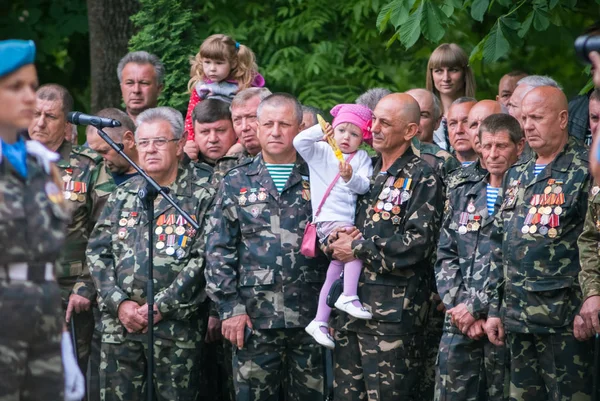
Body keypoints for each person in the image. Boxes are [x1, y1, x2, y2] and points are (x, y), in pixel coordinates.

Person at [205, 93, 328, 400]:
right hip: (253, 319)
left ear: (299, 128)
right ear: (257, 129)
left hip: (311, 318)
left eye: (284, 124)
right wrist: (229, 308)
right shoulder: (235, 181)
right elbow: (218, 248)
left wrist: (331, 313)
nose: (275, 131)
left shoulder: (320, 176)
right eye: (268, 124)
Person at [87, 106, 215, 401]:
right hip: (121, 327)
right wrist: (119, 304)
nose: (151, 149)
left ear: (180, 144)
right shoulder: (123, 194)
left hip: (175, 328)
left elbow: (205, 257)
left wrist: (162, 305)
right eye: (144, 143)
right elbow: (97, 251)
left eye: (160, 141)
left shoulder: (204, 192)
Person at [329, 93, 444, 401]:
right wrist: (335, 240)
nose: (374, 128)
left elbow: (417, 245)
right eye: (374, 120)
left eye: (385, 123)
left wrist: (358, 248)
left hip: (391, 318)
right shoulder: (362, 169)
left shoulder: (423, 176)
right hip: (349, 314)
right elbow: (336, 216)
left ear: (410, 131)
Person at [485, 86, 593, 401]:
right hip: (517, 317)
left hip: (565, 318)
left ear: (562, 119)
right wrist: (495, 309)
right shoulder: (515, 172)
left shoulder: (585, 171)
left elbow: (593, 244)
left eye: (537, 118)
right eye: (524, 118)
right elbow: (499, 244)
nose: (528, 126)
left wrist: (589, 303)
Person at [0, 39, 83, 401]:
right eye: (15, 87)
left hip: (43, 317)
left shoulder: (41, 164)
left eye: (32, 87)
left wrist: (61, 339)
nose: (29, 98)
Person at [28, 83, 116, 390]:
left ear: (67, 125)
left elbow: (107, 232)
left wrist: (87, 285)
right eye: (35, 114)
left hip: (68, 293)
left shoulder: (88, 167)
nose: (40, 122)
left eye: (50, 117)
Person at [435, 113, 524, 401]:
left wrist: (479, 307)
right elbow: (445, 254)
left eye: (501, 146)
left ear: (519, 148)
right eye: (487, 147)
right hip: (460, 322)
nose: (493, 154)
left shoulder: (526, 193)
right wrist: (461, 307)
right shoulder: (464, 193)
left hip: (503, 321)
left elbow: (517, 260)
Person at [294, 104, 374, 349]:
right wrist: (320, 129)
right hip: (328, 219)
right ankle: (349, 295)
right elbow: (299, 142)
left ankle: (319, 320)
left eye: (354, 134)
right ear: (332, 131)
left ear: (362, 139)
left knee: (336, 265)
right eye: (341, 131)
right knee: (355, 251)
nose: (346, 138)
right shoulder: (321, 151)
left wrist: (351, 177)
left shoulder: (361, 158)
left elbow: (365, 186)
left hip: (346, 220)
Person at [185, 34, 264, 140]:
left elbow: (255, 120)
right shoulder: (201, 87)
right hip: (209, 139)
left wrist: (241, 144)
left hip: (239, 140)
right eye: (207, 62)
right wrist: (190, 141)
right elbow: (190, 118)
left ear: (233, 63)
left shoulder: (243, 86)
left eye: (219, 63)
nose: (212, 68)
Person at [426, 44, 477, 151]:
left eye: (453, 70)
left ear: (465, 73)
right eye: (438, 71)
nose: (446, 78)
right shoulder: (425, 120)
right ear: (431, 75)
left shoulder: (480, 115)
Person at [86, 108, 139, 185]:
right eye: (93, 152)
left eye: (104, 151)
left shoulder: (155, 175)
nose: (97, 158)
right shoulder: (94, 180)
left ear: (129, 139)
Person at [117, 51, 164, 124]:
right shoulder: (108, 130)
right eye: (130, 83)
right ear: (121, 88)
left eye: (144, 83)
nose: (136, 90)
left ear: (159, 89)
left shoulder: (172, 130)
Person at [447, 97, 477, 166]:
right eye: (453, 123)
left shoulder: (495, 168)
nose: (459, 130)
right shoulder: (438, 168)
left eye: (466, 122)